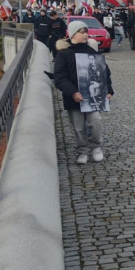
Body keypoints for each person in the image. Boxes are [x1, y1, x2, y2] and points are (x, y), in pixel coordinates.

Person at [53, 20, 114, 165]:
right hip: (74, 98)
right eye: (82, 32)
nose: (86, 35)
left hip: (93, 97)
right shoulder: (64, 54)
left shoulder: (92, 51)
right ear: (73, 34)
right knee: (78, 127)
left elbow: (104, 72)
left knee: (96, 121)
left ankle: (96, 147)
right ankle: (82, 151)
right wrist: (72, 92)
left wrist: (108, 89)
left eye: (86, 32)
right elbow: (60, 77)